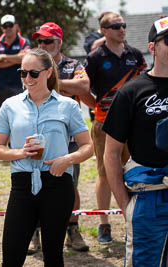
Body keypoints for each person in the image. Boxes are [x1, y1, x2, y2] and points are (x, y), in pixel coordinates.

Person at [0, 48, 93, 267]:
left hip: (58, 182)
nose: (27, 78)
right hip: (22, 183)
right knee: (11, 255)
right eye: (22, 73)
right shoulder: (10, 106)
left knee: (53, 256)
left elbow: (88, 147)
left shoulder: (67, 106)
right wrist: (20, 152)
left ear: (48, 73)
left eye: (33, 73)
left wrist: (67, 159)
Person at [103, 16, 168, 266]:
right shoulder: (131, 91)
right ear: (152, 47)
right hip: (149, 196)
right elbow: (111, 154)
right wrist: (124, 205)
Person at [85, 11, 147, 244]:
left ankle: (132, 221)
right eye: (116, 26)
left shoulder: (136, 55)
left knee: (133, 173)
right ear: (104, 31)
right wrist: (97, 107)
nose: (122, 29)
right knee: (104, 174)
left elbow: (145, 83)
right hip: (104, 125)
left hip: (134, 125)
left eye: (123, 25)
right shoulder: (95, 57)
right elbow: (83, 88)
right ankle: (104, 225)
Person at [31, 21, 93, 252]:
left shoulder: (72, 64)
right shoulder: (33, 64)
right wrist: (66, 88)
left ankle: (72, 229)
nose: (43, 45)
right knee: (34, 184)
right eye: (40, 41)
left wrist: (53, 84)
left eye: (48, 41)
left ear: (59, 42)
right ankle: (34, 231)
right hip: (38, 135)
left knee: (70, 185)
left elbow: (84, 86)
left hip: (69, 138)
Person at [0, 14, 31, 115]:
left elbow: (25, 58)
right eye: (5, 26)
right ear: (1, 28)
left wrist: (3, 57)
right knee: (0, 118)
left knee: (19, 117)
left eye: (10, 25)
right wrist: (16, 59)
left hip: (18, 86)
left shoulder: (24, 41)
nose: (8, 28)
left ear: (16, 26)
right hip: (0, 87)